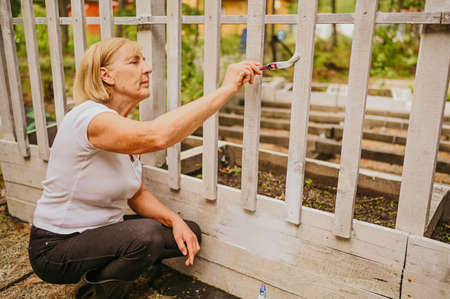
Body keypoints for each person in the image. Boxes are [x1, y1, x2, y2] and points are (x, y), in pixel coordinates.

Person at [27, 37, 262, 299]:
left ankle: (99, 277)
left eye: (145, 61)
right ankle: (99, 295)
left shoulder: (121, 125)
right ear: (107, 75)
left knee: (187, 233)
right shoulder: (88, 117)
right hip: (56, 247)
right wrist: (226, 89)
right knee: (146, 235)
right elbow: (157, 136)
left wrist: (176, 220)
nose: (148, 68)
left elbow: (136, 194)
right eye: (135, 61)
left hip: (100, 234)